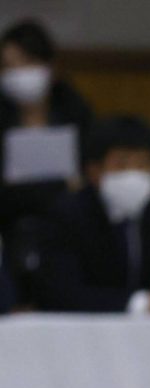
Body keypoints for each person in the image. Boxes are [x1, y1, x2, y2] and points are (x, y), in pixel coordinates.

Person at [35, 114, 150, 312]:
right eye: (122, 165)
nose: (134, 174)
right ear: (94, 171)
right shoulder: (67, 215)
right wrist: (142, 304)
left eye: (143, 164)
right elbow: (60, 294)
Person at [0, 18, 92, 309]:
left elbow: (88, 179)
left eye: (25, 63)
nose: (18, 74)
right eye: (8, 67)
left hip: (65, 226)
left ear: (47, 65)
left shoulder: (74, 109)